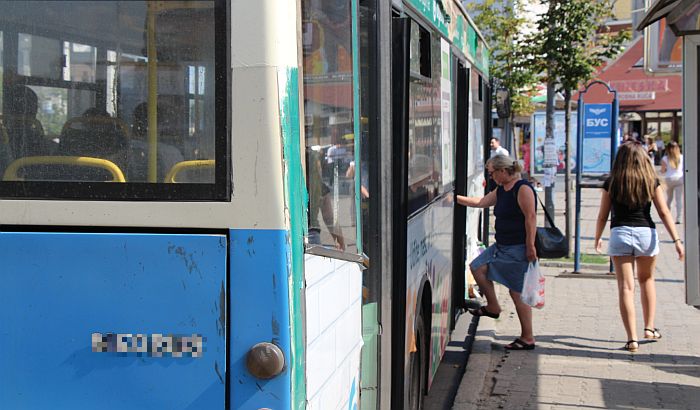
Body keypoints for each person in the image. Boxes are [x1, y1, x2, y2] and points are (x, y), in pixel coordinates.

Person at [594, 142, 684, 353]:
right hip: (646, 235)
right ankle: (649, 328)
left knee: (626, 287)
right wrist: (677, 241)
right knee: (647, 280)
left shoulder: (612, 182)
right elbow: (664, 212)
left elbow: (602, 215)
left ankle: (631, 339)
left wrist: (597, 237)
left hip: (620, 234)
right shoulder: (650, 181)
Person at [456, 155, 538, 350]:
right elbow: (480, 202)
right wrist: (453, 198)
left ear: (503, 171)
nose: (490, 177)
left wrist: (530, 246)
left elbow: (531, 218)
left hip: (517, 248)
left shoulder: (522, 189)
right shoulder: (501, 190)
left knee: (517, 293)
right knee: (476, 267)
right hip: (501, 246)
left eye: (492, 173)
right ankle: (493, 307)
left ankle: (527, 337)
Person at [660, 141, 684, 224]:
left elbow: (663, 171)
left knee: (669, 199)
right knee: (678, 199)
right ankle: (679, 218)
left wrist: (664, 170)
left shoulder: (665, 158)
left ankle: (667, 217)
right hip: (679, 178)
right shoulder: (682, 157)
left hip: (669, 179)